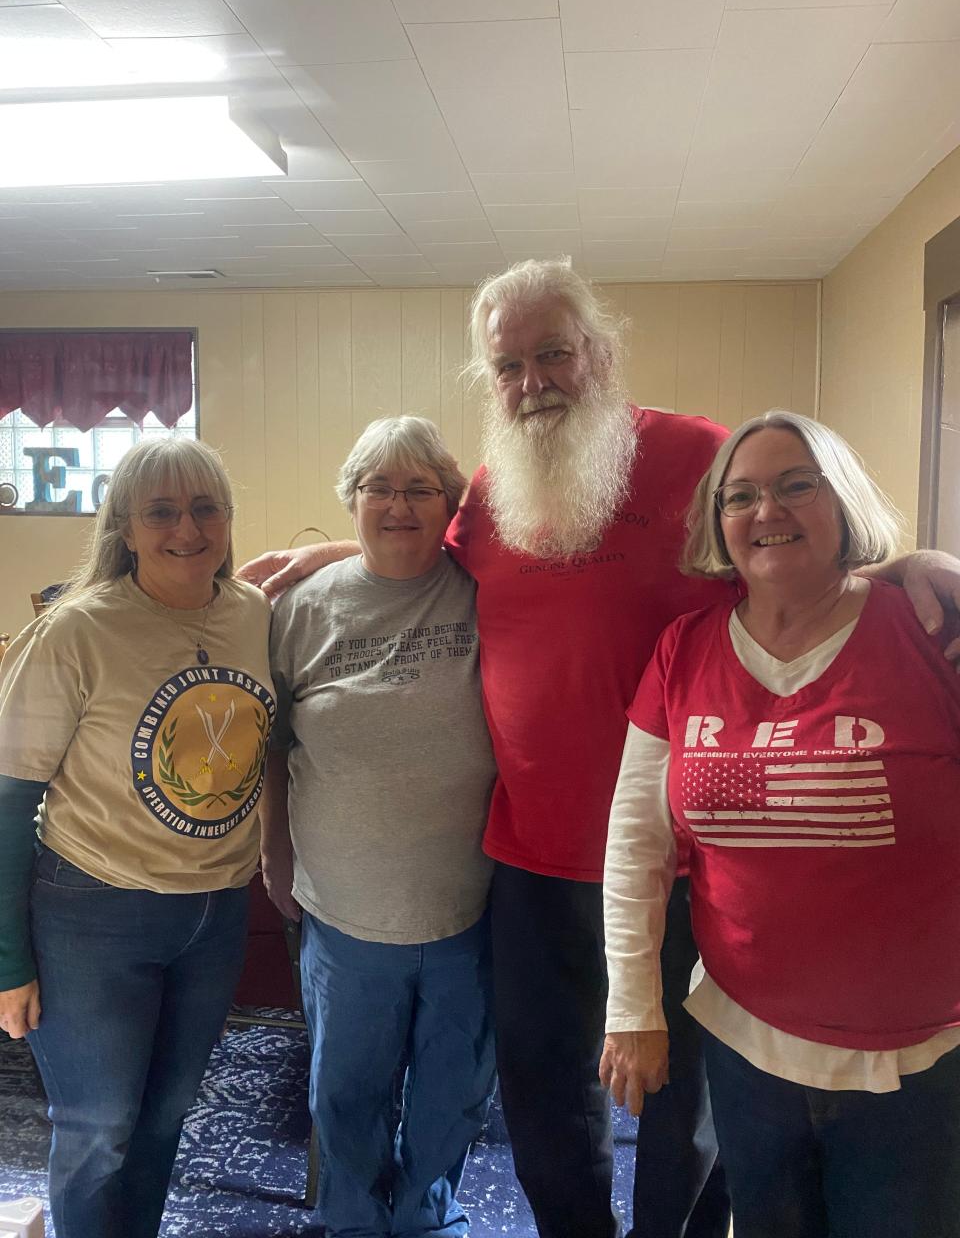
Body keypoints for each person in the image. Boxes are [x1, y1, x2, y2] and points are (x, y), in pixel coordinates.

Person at [238, 259, 960, 1238]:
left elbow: (786, 537)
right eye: (508, 365)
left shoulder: (698, 456)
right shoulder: (492, 490)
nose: (532, 380)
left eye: (553, 354)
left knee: (684, 1108)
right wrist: (338, 550)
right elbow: (422, 550)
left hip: (687, 859)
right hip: (526, 857)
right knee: (541, 1092)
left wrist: (908, 560)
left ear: (601, 354)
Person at [601, 410, 960, 1238]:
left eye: (798, 485)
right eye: (742, 496)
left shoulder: (931, 632)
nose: (768, 511)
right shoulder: (683, 651)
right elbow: (637, 843)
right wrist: (634, 1007)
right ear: (718, 525)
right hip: (747, 1046)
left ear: (843, 502)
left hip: (915, 1062)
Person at [0, 438, 275, 1238]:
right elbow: (9, 801)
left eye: (204, 508)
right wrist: (9, 963)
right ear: (124, 526)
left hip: (214, 912)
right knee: (98, 1129)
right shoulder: (75, 631)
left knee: (164, 1123)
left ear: (228, 519)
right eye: (160, 511)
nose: (186, 528)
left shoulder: (253, 614)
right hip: (92, 912)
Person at [262, 416, 496, 1238]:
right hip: (345, 906)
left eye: (420, 490)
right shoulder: (299, 612)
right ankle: (356, 1220)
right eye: (378, 489)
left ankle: (427, 1212)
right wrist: (272, 855)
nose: (398, 506)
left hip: (471, 902)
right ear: (351, 499)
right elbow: (270, 743)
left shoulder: (488, 592)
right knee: (345, 1091)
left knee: (453, 1090)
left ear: (452, 506)